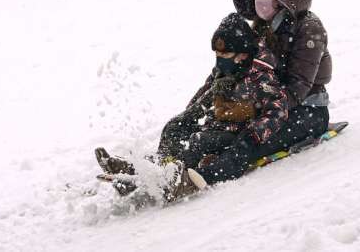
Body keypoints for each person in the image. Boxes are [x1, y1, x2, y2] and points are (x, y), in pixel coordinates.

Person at [95, 12, 290, 201]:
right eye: (217, 53)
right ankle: (146, 169)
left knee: (199, 141)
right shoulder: (224, 69)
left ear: (242, 54)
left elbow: (278, 109)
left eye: (225, 53)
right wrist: (189, 115)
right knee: (174, 128)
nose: (220, 57)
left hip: (237, 132)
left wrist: (252, 135)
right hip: (215, 124)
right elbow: (203, 93)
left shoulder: (260, 75)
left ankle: (176, 178)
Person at [231, 0, 332, 134]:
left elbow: (297, 89)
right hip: (273, 107)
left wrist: (257, 110)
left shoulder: (309, 29)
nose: (259, 1)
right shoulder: (261, 27)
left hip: (307, 111)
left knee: (246, 139)